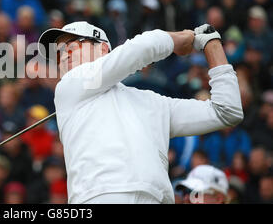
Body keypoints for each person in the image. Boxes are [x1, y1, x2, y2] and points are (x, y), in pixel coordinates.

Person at [37, 21, 243, 203]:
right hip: (102, 196)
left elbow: (226, 111)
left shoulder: (152, 102)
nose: (64, 56)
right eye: (58, 53)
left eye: (71, 45)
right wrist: (184, 38)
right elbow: (144, 47)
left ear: (103, 49)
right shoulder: (67, 87)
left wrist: (212, 44)